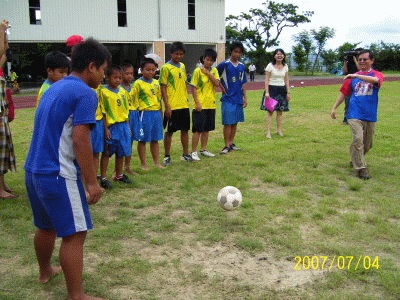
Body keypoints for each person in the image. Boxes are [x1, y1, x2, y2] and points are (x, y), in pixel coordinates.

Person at [24, 38, 110, 300]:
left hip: (34, 171)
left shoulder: (54, 87)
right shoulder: (84, 93)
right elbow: (80, 140)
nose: (104, 75)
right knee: (75, 233)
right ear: (92, 66)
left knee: (45, 226)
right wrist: (92, 182)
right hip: (58, 173)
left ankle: (45, 271)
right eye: (104, 69)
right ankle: (77, 296)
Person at [331, 49, 384, 180]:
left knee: (367, 144)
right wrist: (334, 108)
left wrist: (356, 76)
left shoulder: (376, 74)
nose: (361, 62)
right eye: (359, 59)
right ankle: (361, 168)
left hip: (370, 114)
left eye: (365, 59)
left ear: (372, 61)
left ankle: (355, 157)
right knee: (358, 139)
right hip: (354, 113)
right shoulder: (352, 78)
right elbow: (344, 93)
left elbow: (376, 80)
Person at [98, 65, 132, 189]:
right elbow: (102, 111)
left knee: (121, 152)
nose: (117, 80)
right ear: (108, 77)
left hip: (123, 125)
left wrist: (128, 127)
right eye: (114, 77)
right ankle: (103, 177)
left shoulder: (123, 91)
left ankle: (119, 174)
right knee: (107, 152)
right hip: (111, 126)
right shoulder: (103, 92)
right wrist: (106, 128)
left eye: (119, 78)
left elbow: (125, 110)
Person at [160, 41, 192, 165]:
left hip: (183, 104)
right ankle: (167, 156)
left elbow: (183, 83)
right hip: (172, 106)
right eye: (176, 54)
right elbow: (163, 87)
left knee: (185, 130)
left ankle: (185, 154)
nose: (178, 56)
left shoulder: (183, 66)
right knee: (169, 132)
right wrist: (167, 105)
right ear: (171, 53)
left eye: (181, 54)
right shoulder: (166, 68)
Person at [133, 58, 165, 170]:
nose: (151, 72)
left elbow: (159, 99)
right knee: (143, 140)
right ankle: (143, 164)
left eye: (153, 70)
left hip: (156, 113)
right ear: (141, 70)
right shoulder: (138, 83)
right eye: (147, 70)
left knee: (155, 139)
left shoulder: (156, 83)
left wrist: (161, 114)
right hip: (144, 113)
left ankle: (156, 162)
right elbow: (134, 99)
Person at [216, 41, 248, 154]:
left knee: (235, 122)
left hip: (238, 99)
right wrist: (221, 86)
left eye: (239, 52)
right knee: (228, 123)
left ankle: (231, 143)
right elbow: (215, 76)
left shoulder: (242, 66)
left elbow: (243, 83)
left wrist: (245, 98)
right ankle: (226, 145)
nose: (237, 54)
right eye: (235, 51)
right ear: (231, 52)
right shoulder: (224, 64)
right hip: (228, 98)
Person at [190, 48, 220, 160]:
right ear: (203, 59)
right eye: (207, 59)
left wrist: (208, 74)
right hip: (200, 105)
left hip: (210, 104)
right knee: (197, 130)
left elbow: (217, 84)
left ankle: (203, 149)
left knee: (206, 129)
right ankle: (193, 152)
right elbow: (192, 87)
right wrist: (197, 103)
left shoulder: (214, 71)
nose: (209, 62)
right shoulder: (197, 71)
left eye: (212, 60)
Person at [0, 19, 17, 199]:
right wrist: (1, 29)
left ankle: (2, 184)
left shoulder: (1, 68)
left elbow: (4, 51)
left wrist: (4, 34)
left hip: (2, 115)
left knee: (4, 153)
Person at [264, 48, 291, 139]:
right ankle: (268, 132)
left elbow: (286, 79)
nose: (279, 55)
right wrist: (267, 92)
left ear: (284, 56)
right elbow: (266, 79)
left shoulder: (286, 66)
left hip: (282, 90)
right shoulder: (270, 66)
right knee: (270, 112)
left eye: (281, 54)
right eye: (277, 54)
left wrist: (288, 92)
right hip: (272, 90)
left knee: (280, 112)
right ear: (274, 56)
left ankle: (279, 130)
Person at [120, 62, 140, 175]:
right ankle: (117, 170)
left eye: (131, 73)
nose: (129, 76)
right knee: (123, 142)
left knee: (131, 142)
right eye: (126, 73)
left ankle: (127, 166)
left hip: (134, 114)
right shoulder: (119, 88)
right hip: (124, 116)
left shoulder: (133, 87)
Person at [342, 48, 362, 124]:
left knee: (358, 101)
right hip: (349, 83)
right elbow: (345, 71)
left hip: (358, 83)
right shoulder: (349, 61)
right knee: (347, 101)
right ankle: (346, 118)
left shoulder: (361, 62)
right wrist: (345, 61)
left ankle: (358, 118)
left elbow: (359, 69)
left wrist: (355, 60)